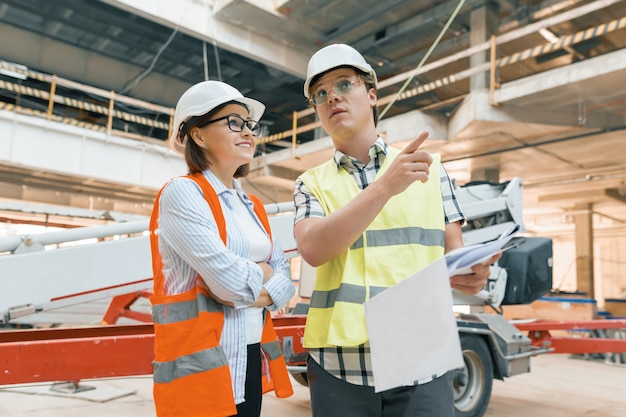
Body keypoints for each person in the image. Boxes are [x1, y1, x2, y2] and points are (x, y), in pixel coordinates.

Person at [293, 43, 501, 417]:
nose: (332, 98)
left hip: (421, 354)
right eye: (320, 94)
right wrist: (384, 187)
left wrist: (472, 273)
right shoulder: (311, 183)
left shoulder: (430, 169)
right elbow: (313, 248)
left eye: (344, 85)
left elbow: (452, 257)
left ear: (372, 95)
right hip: (341, 363)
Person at [149, 80, 296, 417]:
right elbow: (230, 285)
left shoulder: (252, 205)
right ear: (198, 135)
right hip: (199, 365)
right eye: (234, 122)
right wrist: (266, 277)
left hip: (248, 356)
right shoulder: (183, 193)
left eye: (250, 125)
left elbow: (284, 276)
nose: (248, 132)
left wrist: (257, 282)